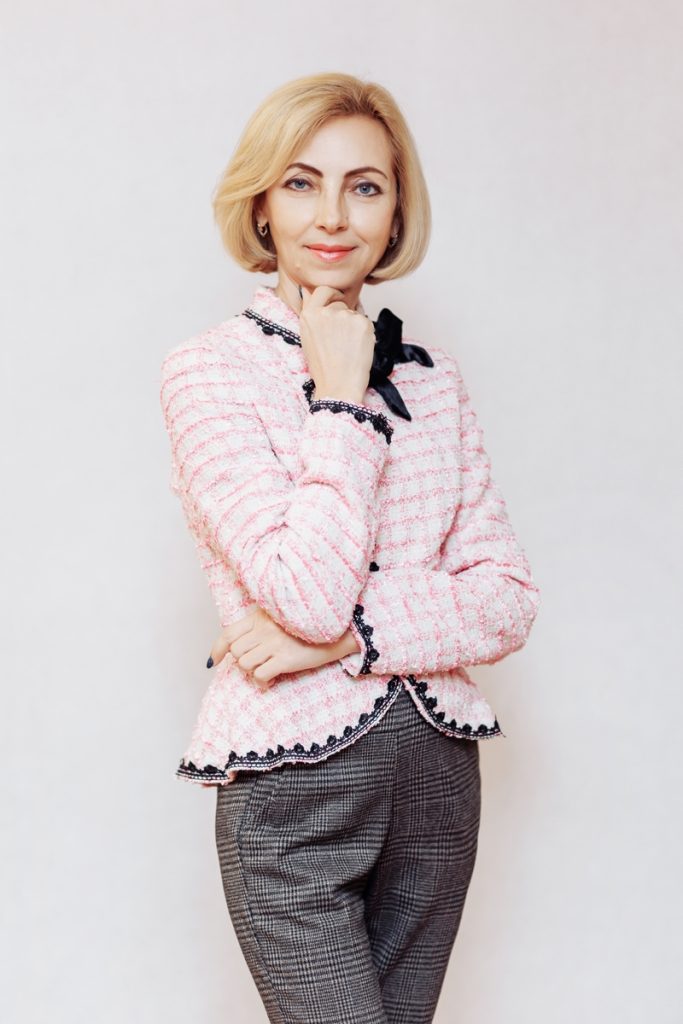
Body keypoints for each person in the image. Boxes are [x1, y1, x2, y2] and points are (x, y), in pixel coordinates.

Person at [159, 71, 540, 1024]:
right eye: (301, 182)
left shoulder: (434, 380)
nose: (332, 215)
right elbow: (304, 590)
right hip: (295, 792)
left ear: (396, 209)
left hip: (437, 790)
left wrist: (347, 640)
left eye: (363, 186)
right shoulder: (209, 373)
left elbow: (505, 600)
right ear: (260, 204)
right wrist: (339, 396)